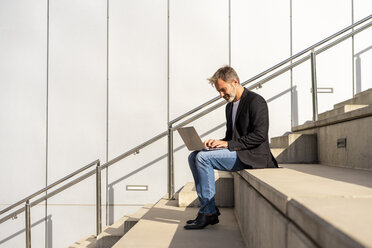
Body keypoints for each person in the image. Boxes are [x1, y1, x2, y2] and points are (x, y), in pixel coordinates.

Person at [184, 66, 278, 230]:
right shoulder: (229, 107)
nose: (221, 95)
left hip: (254, 155)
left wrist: (228, 144)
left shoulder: (256, 101)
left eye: (223, 89)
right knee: (194, 155)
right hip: (238, 151)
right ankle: (208, 210)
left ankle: (208, 212)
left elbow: (260, 135)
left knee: (202, 158)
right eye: (219, 91)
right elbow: (230, 138)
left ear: (235, 82)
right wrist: (216, 143)